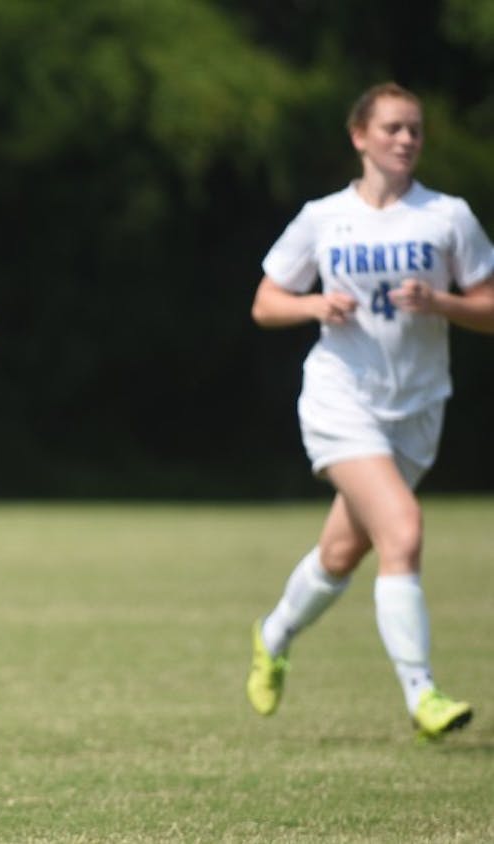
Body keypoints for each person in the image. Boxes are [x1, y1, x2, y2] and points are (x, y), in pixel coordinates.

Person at [246, 83, 494, 740]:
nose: (406, 139)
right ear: (360, 137)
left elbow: (490, 306)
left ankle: (272, 636)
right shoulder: (324, 218)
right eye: (392, 128)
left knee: (342, 551)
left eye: (415, 129)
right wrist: (313, 305)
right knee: (403, 531)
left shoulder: (448, 216)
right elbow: (267, 302)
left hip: (415, 410)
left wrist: (444, 304)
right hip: (340, 401)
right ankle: (423, 693)